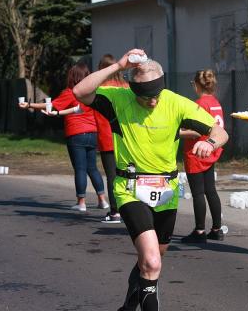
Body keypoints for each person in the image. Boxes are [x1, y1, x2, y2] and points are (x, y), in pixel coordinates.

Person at [72, 49, 228, 311]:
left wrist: (210, 143)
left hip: (166, 191)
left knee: (153, 259)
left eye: (156, 95)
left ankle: (128, 306)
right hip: (130, 188)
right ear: (133, 90)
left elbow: (220, 131)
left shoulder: (175, 102)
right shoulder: (118, 99)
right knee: (153, 262)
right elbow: (80, 92)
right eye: (145, 97)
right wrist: (118, 66)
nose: (152, 102)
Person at [19, 63, 109, 212]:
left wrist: (29, 104)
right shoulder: (93, 92)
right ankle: (103, 200)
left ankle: (81, 202)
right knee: (93, 168)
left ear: (72, 76)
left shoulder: (71, 92)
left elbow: (52, 106)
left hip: (76, 134)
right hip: (93, 133)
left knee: (80, 168)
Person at [180, 69, 225, 243]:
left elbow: (195, 131)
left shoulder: (199, 104)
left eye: (193, 84)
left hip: (196, 152)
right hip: (211, 150)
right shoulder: (215, 102)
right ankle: (217, 228)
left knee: (198, 193)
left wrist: (178, 132)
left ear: (198, 85)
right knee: (210, 190)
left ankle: (199, 231)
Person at [96, 54, 129, 223]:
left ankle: (115, 211)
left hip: (107, 137)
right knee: (127, 174)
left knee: (111, 176)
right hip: (126, 137)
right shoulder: (126, 87)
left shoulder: (101, 88)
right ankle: (129, 207)